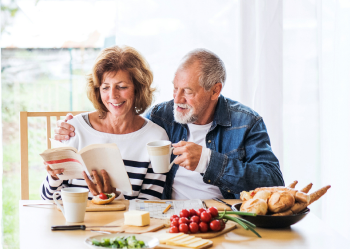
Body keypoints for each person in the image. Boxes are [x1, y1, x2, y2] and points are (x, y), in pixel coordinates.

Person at [54, 48, 285, 200]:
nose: (177, 99)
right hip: (168, 216)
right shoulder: (163, 115)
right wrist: (75, 126)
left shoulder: (246, 122)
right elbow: (121, 118)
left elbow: (274, 182)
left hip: (225, 217)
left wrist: (207, 161)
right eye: (175, 88)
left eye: (187, 91)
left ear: (215, 90)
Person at [41, 46, 168, 201]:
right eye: (105, 87)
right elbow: (47, 198)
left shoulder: (155, 138)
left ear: (138, 88)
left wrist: (114, 198)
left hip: (125, 224)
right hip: (77, 222)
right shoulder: (74, 129)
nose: (113, 96)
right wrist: (54, 178)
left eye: (121, 87)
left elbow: (150, 204)